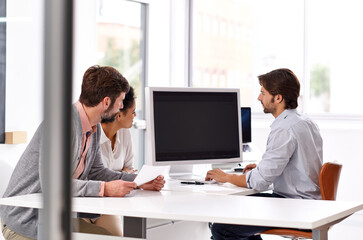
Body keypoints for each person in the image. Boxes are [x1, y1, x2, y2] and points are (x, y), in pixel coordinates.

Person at [0, 65, 165, 240]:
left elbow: (97, 171)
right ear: (106, 102)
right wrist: (105, 189)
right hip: (24, 222)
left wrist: (139, 181)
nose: (122, 107)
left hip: (54, 220)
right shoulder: (62, 124)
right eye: (121, 101)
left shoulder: (94, 127)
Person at [205, 68, 323, 240]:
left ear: (278, 98)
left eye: (263, 93)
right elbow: (297, 164)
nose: (259, 98)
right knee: (235, 213)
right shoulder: (305, 121)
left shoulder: (284, 128)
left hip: (295, 207)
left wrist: (227, 177)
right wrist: (261, 168)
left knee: (222, 227)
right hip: (305, 202)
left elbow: (259, 182)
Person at [93, 86, 138, 236]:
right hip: (89, 201)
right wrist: (120, 173)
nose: (135, 115)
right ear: (118, 114)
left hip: (109, 204)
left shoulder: (125, 133)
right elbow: (92, 175)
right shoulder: (92, 134)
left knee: (117, 236)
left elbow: (129, 169)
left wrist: (124, 174)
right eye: (132, 112)